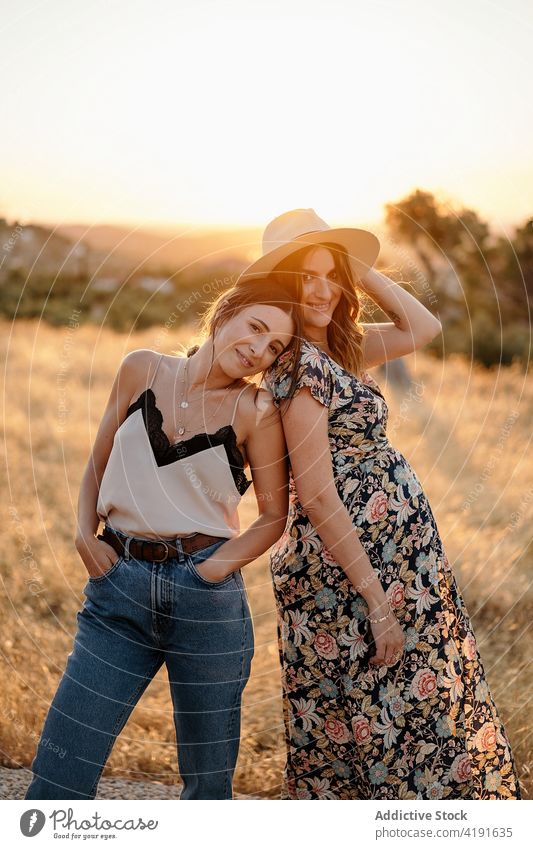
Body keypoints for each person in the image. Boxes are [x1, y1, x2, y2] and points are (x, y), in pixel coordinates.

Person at [243, 208, 521, 800]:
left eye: (329, 275)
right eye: (304, 277)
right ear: (281, 287)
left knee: (409, 715)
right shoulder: (299, 366)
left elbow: (423, 327)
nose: (320, 289)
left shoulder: (344, 349)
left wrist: (356, 271)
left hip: (398, 559)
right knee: (371, 726)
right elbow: (317, 495)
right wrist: (376, 601)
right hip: (352, 573)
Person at [25, 276, 303, 800]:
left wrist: (211, 570)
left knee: (206, 786)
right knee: (61, 769)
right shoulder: (141, 368)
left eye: (275, 347)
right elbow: (97, 459)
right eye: (255, 327)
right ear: (225, 314)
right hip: (117, 586)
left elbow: (272, 516)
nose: (258, 349)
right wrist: (86, 538)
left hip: (206, 603)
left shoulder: (256, 411)